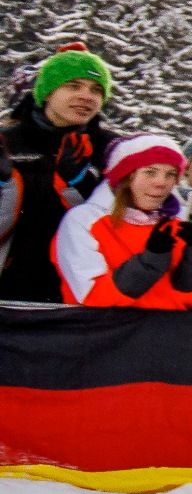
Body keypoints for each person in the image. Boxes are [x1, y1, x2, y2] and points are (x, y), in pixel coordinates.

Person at [52, 133, 192, 329]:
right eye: (150, 172)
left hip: (166, 337)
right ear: (126, 176)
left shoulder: (180, 221)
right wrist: (151, 261)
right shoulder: (84, 220)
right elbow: (94, 296)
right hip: (104, 334)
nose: (160, 183)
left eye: (170, 174)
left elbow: (190, 297)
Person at [4, 45, 121, 305]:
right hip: (10, 288)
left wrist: (79, 186)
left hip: (83, 291)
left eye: (96, 90)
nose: (86, 96)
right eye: (74, 86)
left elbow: (123, 225)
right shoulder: (8, 143)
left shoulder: (112, 149)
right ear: (47, 92)